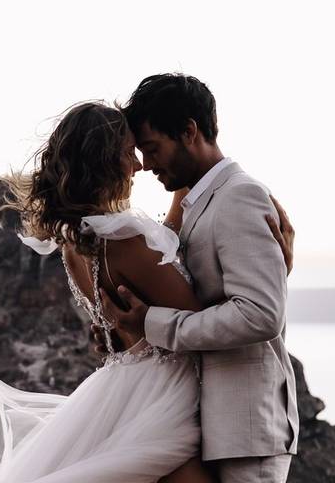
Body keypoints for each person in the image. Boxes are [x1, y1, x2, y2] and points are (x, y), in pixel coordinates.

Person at [0, 98, 294, 483]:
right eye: (131, 151)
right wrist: (276, 269)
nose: (140, 164)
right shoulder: (127, 240)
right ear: (105, 159)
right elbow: (204, 311)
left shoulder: (78, 240)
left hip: (124, 387)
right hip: (162, 398)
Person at [98, 73, 300, 483]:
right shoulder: (196, 204)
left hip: (247, 433)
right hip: (210, 425)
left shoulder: (239, 196)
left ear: (189, 131)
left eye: (153, 148)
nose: (147, 164)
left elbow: (260, 314)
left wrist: (151, 323)